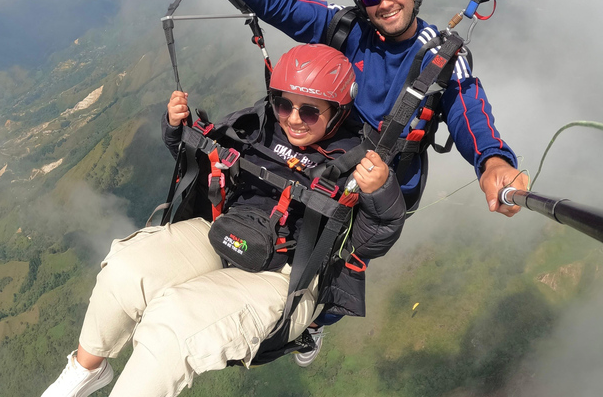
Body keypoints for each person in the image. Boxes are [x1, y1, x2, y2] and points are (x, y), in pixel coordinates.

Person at [40, 44, 406, 397]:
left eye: (310, 111)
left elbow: (372, 240)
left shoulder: (356, 161)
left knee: (172, 325)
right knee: (124, 267)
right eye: (284, 104)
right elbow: (200, 160)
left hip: (287, 275)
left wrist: (381, 191)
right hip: (224, 229)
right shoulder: (257, 124)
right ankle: (87, 370)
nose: (293, 119)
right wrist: (175, 127)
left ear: (337, 111)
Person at [163, 0, 530, 217]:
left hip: (376, 184)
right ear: (361, 3)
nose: (384, 2)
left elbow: (469, 110)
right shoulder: (347, 27)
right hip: (321, 160)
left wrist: (493, 161)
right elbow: (281, 4)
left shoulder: (440, 57)